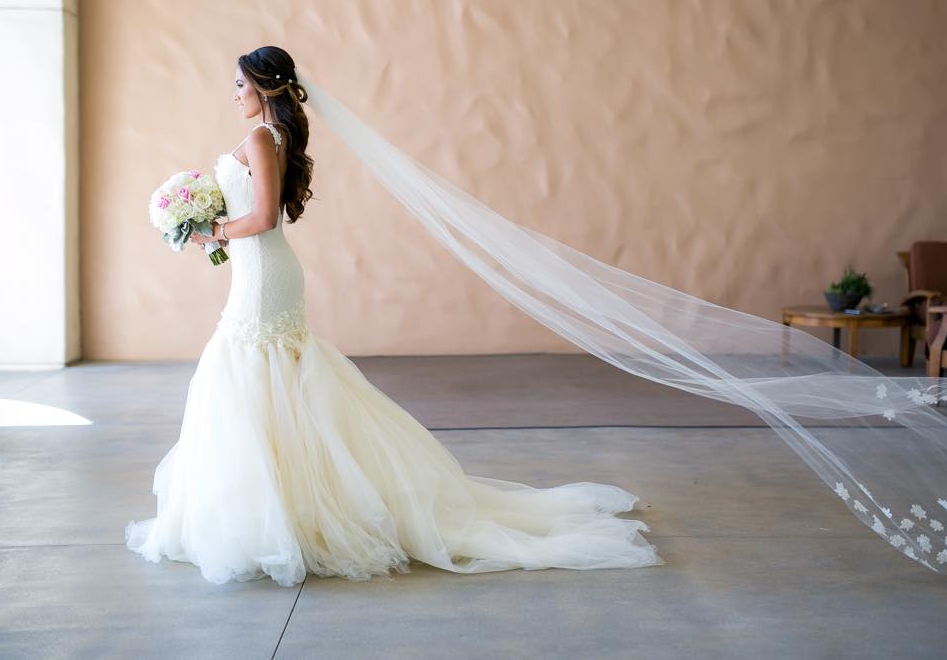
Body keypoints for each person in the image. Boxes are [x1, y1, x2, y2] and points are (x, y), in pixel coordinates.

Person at [125, 46, 664, 587]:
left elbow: (263, 217)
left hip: (264, 277)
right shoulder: (276, 139)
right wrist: (208, 223)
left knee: (249, 375)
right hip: (262, 273)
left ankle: (282, 517)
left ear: (265, 87)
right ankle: (284, 510)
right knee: (268, 384)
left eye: (240, 85)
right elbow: (259, 212)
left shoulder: (264, 138)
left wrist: (213, 230)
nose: (234, 94)